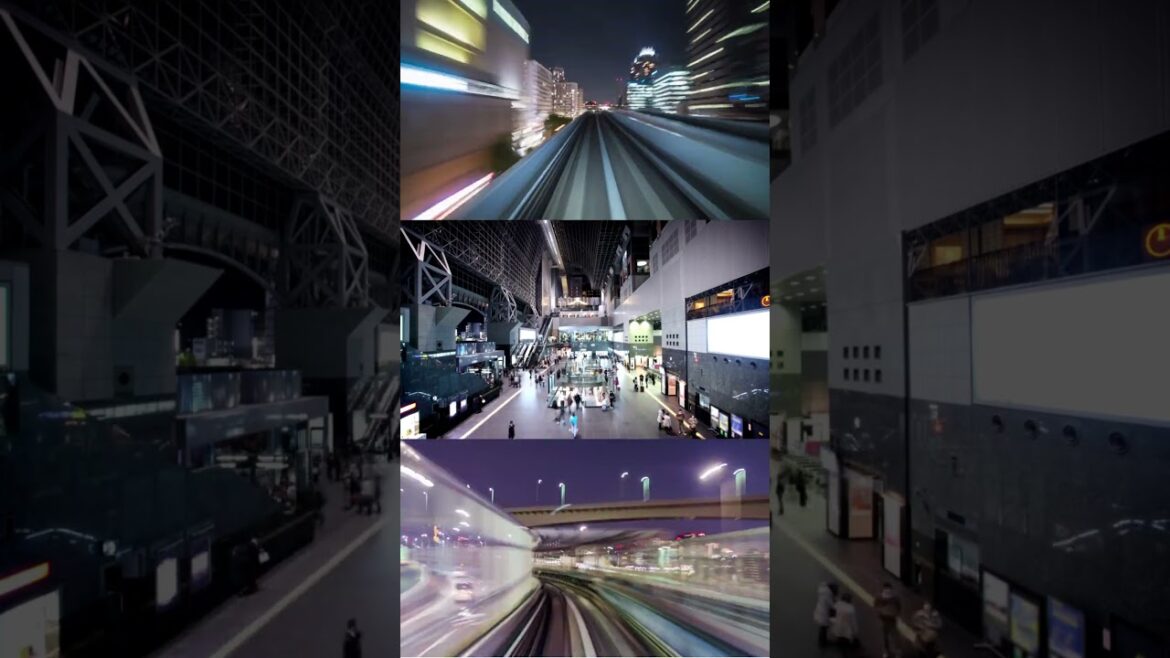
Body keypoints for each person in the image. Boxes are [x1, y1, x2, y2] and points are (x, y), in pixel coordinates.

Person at [876, 582, 903, 657]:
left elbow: (898, 608)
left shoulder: (895, 598)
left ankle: (898, 652)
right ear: (883, 589)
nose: (888, 591)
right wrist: (880, 613)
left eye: (889, 589)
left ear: (891, 590)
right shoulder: (879, 598)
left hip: (892, 621)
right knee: (884, 637)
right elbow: (876, 607)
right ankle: (886, 651)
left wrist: (897, 616)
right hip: (883, 620)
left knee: (895, 637)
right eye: (886, 589)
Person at [814, 581, 837, 646]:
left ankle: (822, 641)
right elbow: (831, 605)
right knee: (823, 628)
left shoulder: (822, 592)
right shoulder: (827, 595)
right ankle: (823, 642)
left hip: (820, 611)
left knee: (822, 628)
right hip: (823, 614)